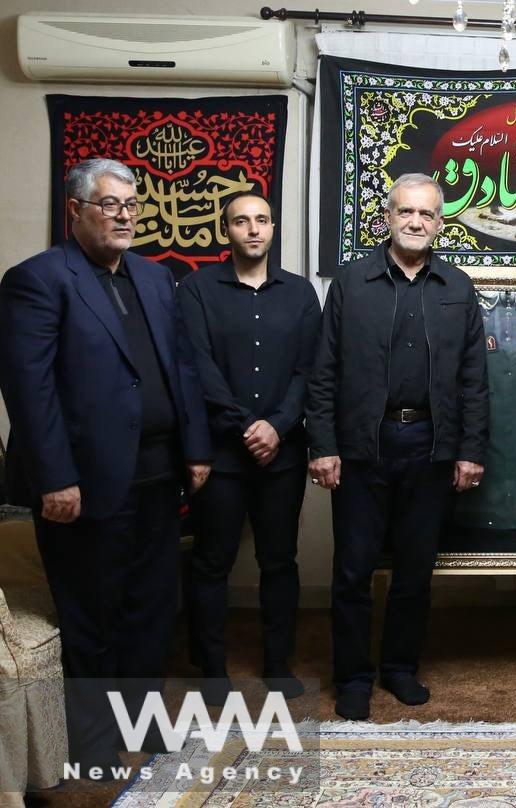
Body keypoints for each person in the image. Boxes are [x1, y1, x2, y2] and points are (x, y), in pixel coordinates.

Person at [0, 158, 212, 771]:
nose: (123, 216)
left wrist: (195, 449)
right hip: (83, 484)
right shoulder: (38, 279)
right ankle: (91, 746)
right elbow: (29, 389)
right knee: (92, 616)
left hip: (157, 476)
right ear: (75, 211)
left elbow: (182, 368)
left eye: (131, 205)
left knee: (150, 612)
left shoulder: (154, 277)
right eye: (109, 205)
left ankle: (143, 729)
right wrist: (55, 478)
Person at [306, 173, 489, 721]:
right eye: (406, 212)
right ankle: (353, 677)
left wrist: (471, 449)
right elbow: (324, 371)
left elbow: (474, 378)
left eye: (427, 215)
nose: (416, 222)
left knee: (414, 572)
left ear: (440, 223)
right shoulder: (351, 283)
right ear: (387, 218)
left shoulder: (457, 287)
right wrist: (322, 445)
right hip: (363, 446)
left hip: (431, 446)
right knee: (353, 570)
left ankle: (400, 669)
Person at [177, 192, 321, 704]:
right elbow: (197, 366)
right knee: (212, 562)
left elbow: (311, 369)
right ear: (226, 231)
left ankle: (277, 663)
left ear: (273, 227)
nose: (253, 229)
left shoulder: (301, 294)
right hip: (221, 454)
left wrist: (278, 426)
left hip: (281, 454)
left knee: (279, 560)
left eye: (262, 220)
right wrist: (247, 427)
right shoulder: (196, 289)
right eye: (241, 221)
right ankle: (211, 666)